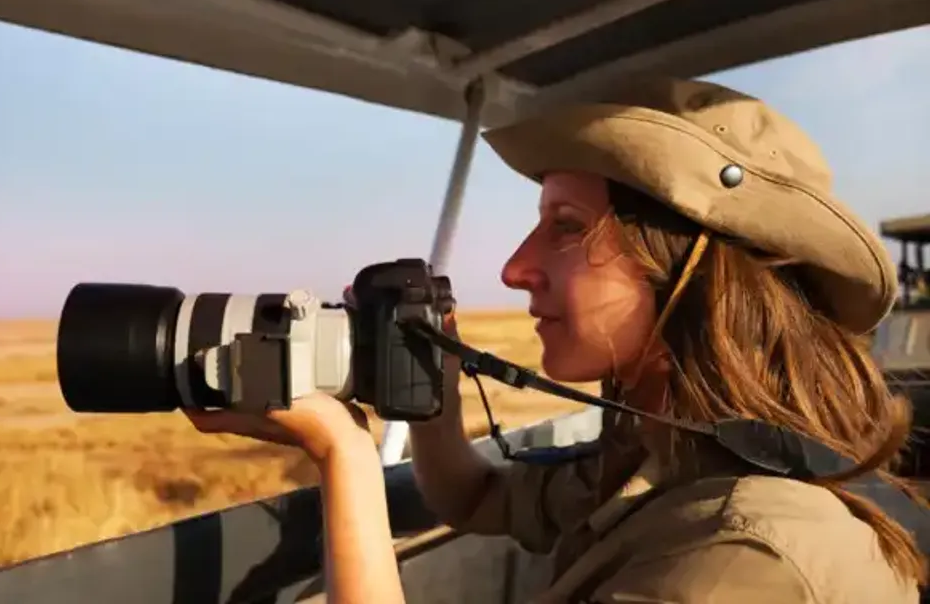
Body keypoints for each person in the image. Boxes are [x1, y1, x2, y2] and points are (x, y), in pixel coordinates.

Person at [185, 77, 929, 603]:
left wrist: (343, 454)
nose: (514, 268)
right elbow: (479, 497)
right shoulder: (671, 452)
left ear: (694, 283)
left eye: (567, 227)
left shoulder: (745, 559)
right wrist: (429, 388)